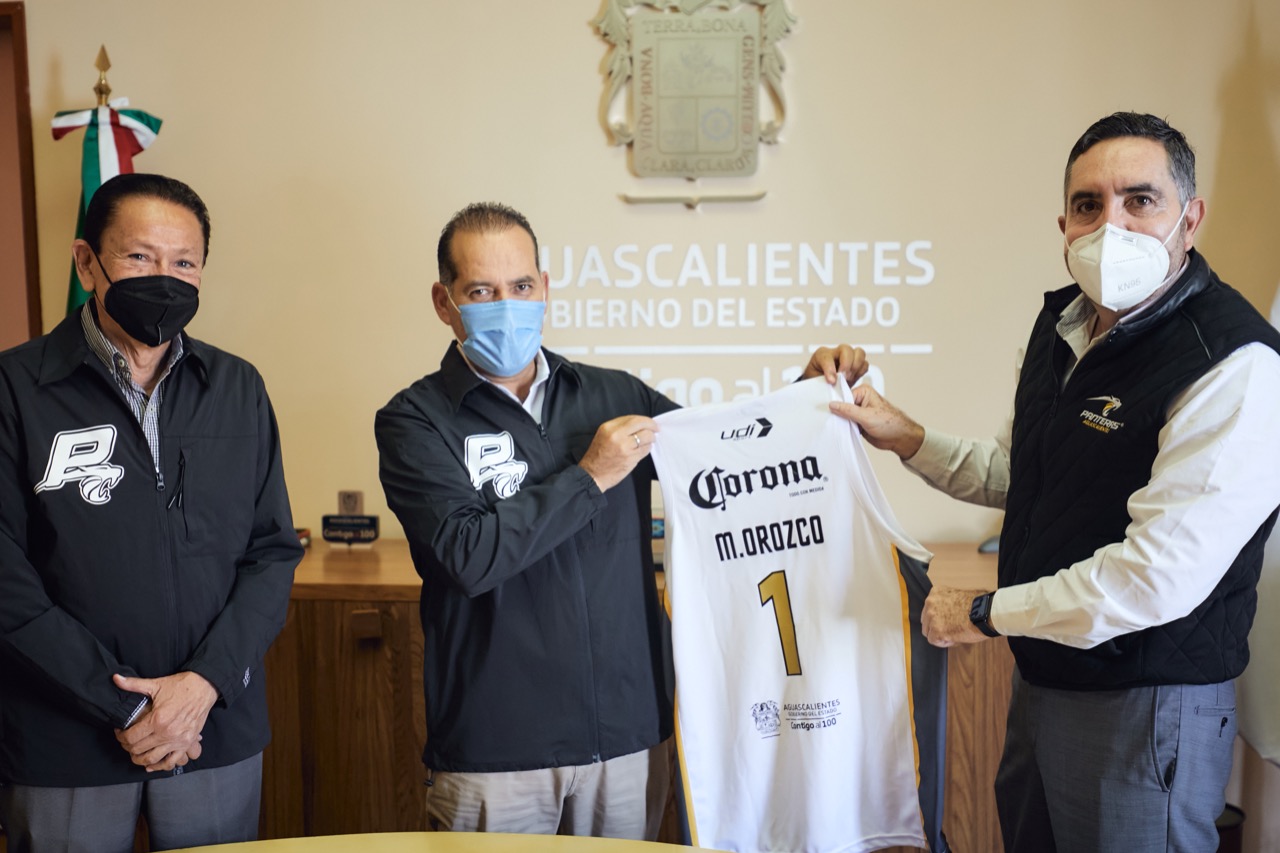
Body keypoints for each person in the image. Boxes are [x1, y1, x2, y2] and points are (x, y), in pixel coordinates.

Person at [831, 112, 1280, 853]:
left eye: (1140, 200)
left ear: (1190, 218)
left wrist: (985, 613)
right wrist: (905, 435)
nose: (1112, 226)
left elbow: (1154, 578)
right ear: (1064, 225)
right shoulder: (1063, 326)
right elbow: (1025, 475)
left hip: (1143, 703)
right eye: (1088, 205)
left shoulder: (1233, 363)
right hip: (1043, 677)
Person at [375, 201, 861, 839]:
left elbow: (729, 460)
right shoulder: (414, 420)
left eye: (521, 286)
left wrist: (809, 394)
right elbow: (466, 555)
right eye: (482, 292)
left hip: (628, 737)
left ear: (545, 289)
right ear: (445, 302)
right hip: (497, 749)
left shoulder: (613, 394)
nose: (508, 306)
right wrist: (590, 476)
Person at [0, 173, 304, 852]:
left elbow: (272, 552)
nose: (164, 278)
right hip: (61, 742)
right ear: (87, 262)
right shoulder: (14, 389)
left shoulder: (238, 387)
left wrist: (202, 685)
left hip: (211, 731)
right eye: (139, 257)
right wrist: (128, 705)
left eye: (184, 263)